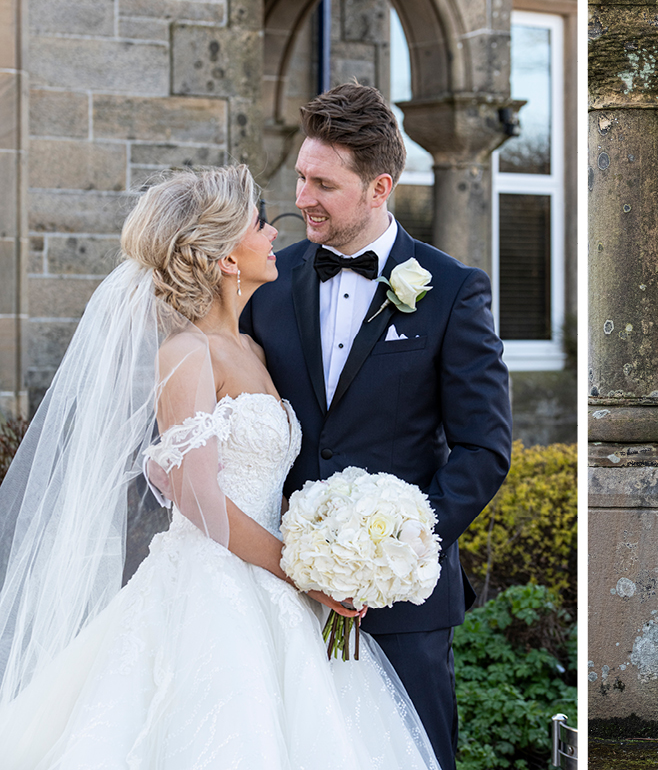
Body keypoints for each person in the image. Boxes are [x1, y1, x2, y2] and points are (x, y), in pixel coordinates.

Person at [0, 165, 442, 768]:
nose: (272, 235)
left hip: (274, 573)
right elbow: (200, 499)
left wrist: (324, 539)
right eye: (259, 225)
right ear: (227, 259)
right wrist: (301, 574)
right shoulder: (186, 353)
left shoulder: (253, 348)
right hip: (213, 587)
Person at [240, 82, 512, 770]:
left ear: (378, 187)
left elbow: (484, 447)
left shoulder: (452, 289)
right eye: (301, 177)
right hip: (280, 596)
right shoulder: (268, 282)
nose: (301, 198)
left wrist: (393, 552)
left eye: (322, 184)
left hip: (403, 606)